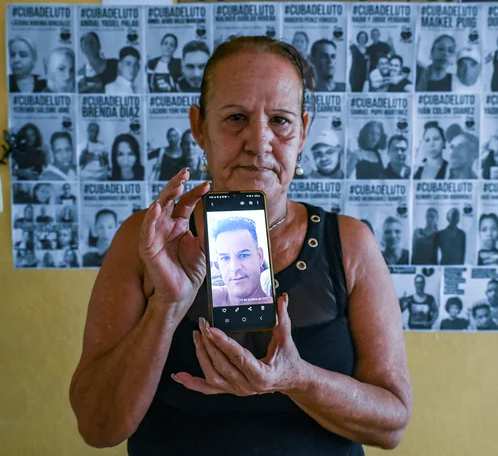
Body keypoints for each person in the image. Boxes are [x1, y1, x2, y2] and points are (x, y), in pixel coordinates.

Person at [69, 36, 412, 454]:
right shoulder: (146, 238)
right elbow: (98, 426)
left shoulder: (350, 242)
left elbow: (391, 424)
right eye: (235, 117)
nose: (259, 141)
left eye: (281, 121)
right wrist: (167, 305)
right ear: (199, 126)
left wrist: (296, 379)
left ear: (304, 130)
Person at [209, 217, 272, 307]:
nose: (234, 268)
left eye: (243, 255)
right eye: (225, 258)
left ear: (260, 257)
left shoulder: (272, 309)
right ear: (217, 264)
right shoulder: (209, 298)